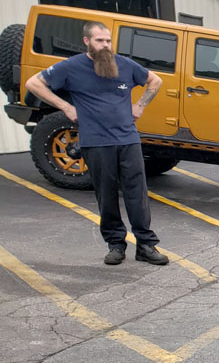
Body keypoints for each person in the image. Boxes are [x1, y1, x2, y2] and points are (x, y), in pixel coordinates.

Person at [25, 21, 168, 266]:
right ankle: (115, 245)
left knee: (137, 193)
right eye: (100, 41)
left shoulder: (123, 64)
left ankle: (145, 245)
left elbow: (155, 81)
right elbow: (33, 83)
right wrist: (66, 107)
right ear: (87, 41)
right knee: (106, 194)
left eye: (108, 41)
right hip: (96, 142)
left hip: (128, 139)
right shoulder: (71, 67)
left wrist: (140, 106)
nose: (105, 45)